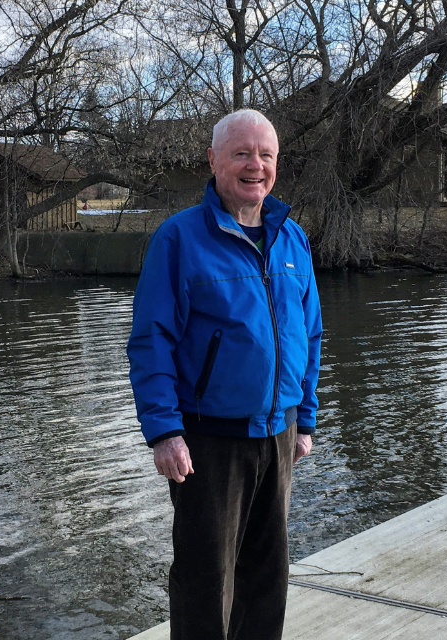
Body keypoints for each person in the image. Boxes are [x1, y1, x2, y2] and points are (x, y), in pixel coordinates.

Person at [126, 109, 323, 640]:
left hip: (277, 434)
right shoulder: (179, 239)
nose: (254, 166)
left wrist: (303, 420)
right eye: (241, 153)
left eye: (265, 155)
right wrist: (165, 432)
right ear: (213, 160)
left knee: (267, 577)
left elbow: (310, 333)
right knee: (205, 582)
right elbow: (150, 341)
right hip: (208, 440)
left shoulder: (293, 240)